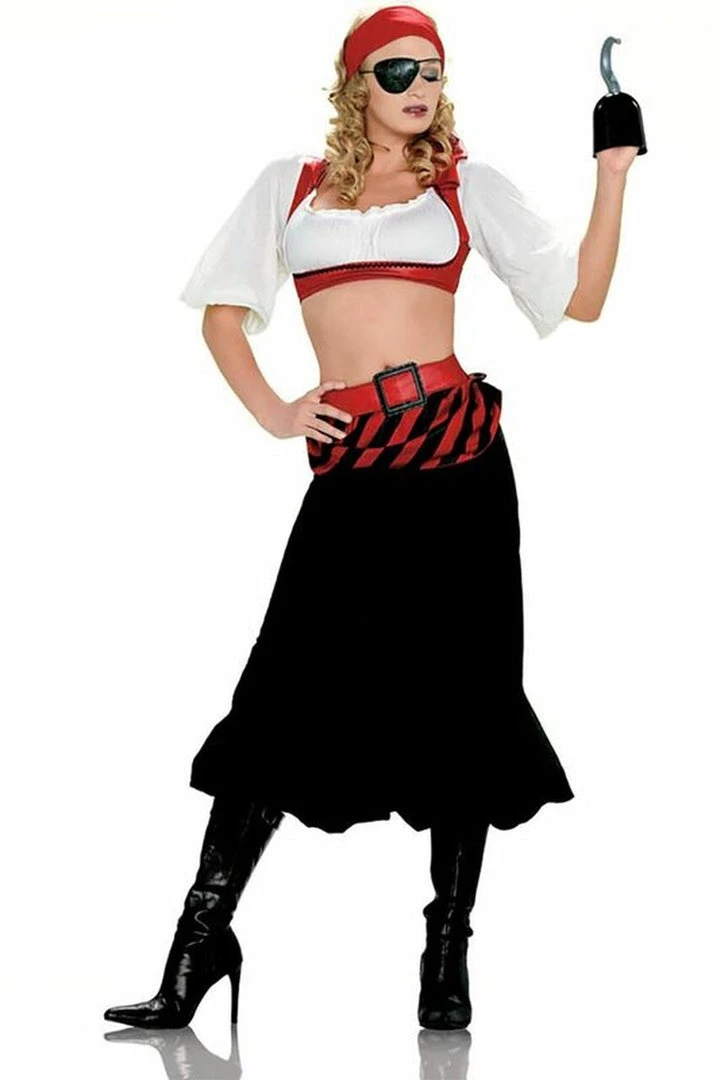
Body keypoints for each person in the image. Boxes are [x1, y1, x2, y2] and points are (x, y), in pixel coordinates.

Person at [104, 3, 637, 1033]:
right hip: (353, 470)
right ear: (355, 84)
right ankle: (200, 943)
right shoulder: (292, 187)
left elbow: (582, 300)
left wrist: (611, 175)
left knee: (468, 701)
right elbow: (223, 317)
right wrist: (278, 412)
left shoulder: (466, 186)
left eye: (432, 70)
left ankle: (447, 955)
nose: (419, 87)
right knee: (279, 697)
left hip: (461, 464)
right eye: (398, 71)